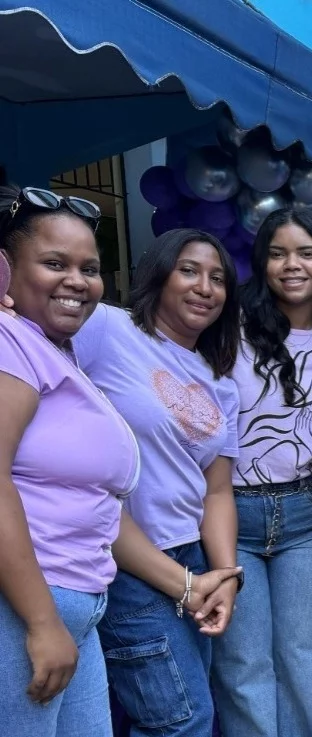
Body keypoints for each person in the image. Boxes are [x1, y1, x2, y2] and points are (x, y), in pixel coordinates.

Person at [72, 229, 244, 737]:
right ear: (159, 274)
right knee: (182, 721)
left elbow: (216, 491)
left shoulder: (220, 381)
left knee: (177, 716)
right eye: (188, 270)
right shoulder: (107, 328)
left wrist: (226, 575)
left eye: (217, 278)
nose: (204, 287)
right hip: (127, 566)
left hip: (193, 557)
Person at [210, 208, 312, 737]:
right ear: (262, 262)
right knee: (242, 666)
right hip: (234, 513)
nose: (291, 265)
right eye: (277, 254)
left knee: (305, 662)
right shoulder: (228, 328)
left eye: (305, 253)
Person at [0, 185, 139, 736]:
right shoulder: (11, 342)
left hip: (76, 605)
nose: (77, 281)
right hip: (29, 609)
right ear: (5, 270)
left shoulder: (54, 350)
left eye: (90, 268)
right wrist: (39, 621)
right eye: (54, 263)